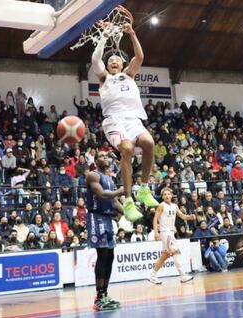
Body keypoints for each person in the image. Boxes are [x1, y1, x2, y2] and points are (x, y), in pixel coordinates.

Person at [91, 19, 159, 222]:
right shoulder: (104, 78)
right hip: (114, 121)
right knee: (127, 149)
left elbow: (140, 57)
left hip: (133, 120)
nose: (114, 61)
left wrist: (132, 34)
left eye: (117, 60)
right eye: (111, 60)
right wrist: (104, 36)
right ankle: (128, 201)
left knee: (149, 143)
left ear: (123, 64)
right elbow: (95, 59)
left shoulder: (129, 75)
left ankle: (144, 189)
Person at [86, 152, 125, 312]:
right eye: (101, 156)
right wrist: (121, 191)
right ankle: (99, 297)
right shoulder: (93, 175)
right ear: (96, 160)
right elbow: (101, 194)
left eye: (106, 156)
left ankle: (105, 295)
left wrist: (129, 213)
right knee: (102, 255)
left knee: (110, 256)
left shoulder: (109, 178)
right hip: (96, 217)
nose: (105, 158)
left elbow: (114, 201)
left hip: (108, 218)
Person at [148, 188, 194, 284]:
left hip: (171, 232)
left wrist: (189, 217)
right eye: (164, 194)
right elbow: (155, 219)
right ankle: (183, 275)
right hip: (165, 232)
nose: (167, 196)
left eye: (168, 194)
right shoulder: (161, 205)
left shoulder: (174, 206)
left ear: (171, 195)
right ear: (162, 197)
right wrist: (156, 233)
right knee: (175, 251)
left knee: (165, 255)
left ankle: (152, 276)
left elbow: (182, 216)